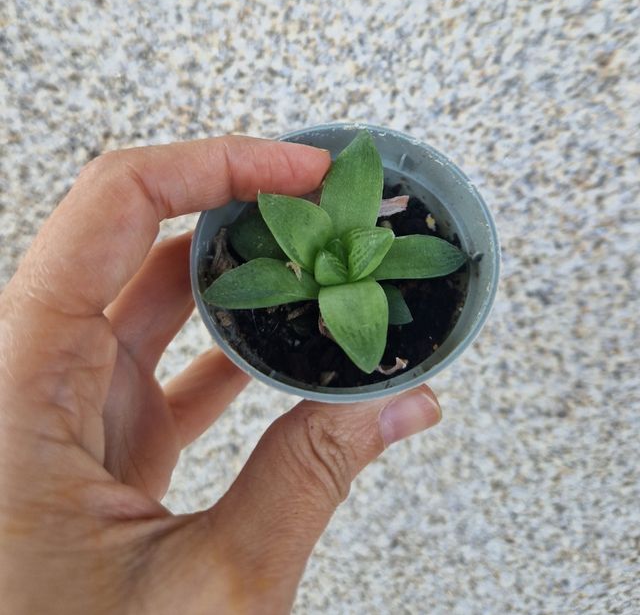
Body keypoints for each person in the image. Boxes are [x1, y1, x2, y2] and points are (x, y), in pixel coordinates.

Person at [0, 136, 441, 614]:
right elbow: (239, 267)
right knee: (243, 257)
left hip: (349, 283)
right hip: (310, 277)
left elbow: (438, 262)